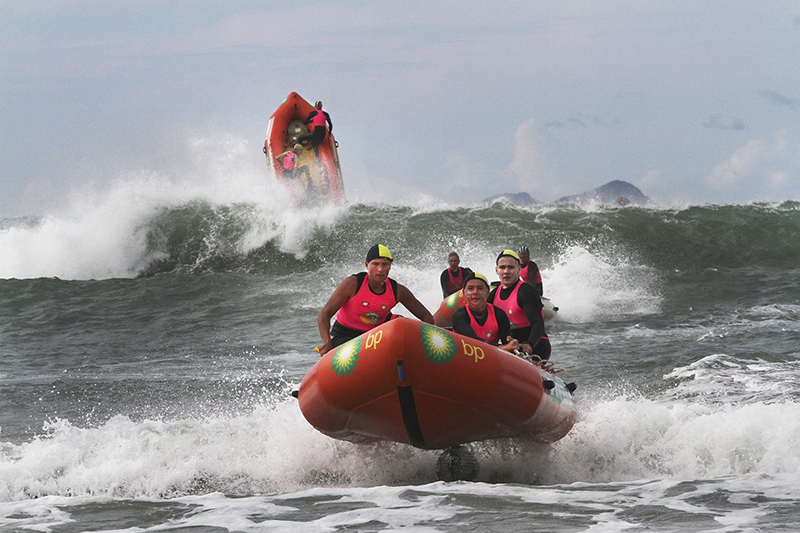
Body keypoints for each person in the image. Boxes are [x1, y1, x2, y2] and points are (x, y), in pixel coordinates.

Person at [317, 244, 434, 355]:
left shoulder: (397, 290)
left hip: (374, 338)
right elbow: (324, 314)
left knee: (400, 324)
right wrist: (326, 341)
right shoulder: (353, 283)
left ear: (390, 266)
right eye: (375, 264)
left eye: (385, 264)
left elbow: (427, 317)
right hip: (344, 334)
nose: (380, 269)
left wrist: (424, 342)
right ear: (367, 265)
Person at [487, 249, 551, 360]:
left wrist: (529, 344)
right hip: (510, 348)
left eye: (511, 267)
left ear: (519, 269)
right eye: (502, 267)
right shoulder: (493, 295)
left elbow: (538, 323)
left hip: (535, 347)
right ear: (496, 270)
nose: (506, 271)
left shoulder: (525, 291)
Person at [452, 273, 519, 353]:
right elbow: (472, 341)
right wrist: (501, 347)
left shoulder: (499, 314)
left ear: (487, 292)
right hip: (465, 358)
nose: (475, 292)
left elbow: (507, 344)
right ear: (464, 293)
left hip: (491, 358)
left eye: (480, 288)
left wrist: (513, 344)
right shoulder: (459, 315)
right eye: (470, 288)